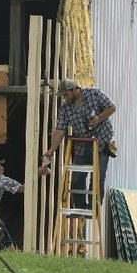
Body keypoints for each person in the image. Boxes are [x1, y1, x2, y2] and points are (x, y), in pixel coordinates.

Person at [43, 79, 117, 208]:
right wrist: (51, 150)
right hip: (83, 144)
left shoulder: (94, 94)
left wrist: (99, 118)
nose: (65, 98)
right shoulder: (65, 109)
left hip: (102, 141)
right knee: (77, 177)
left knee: (98, 176)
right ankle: (80, 206)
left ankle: (94, 206)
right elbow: (60, 130)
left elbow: (112, 108)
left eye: (66, 94)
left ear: (75, 89)